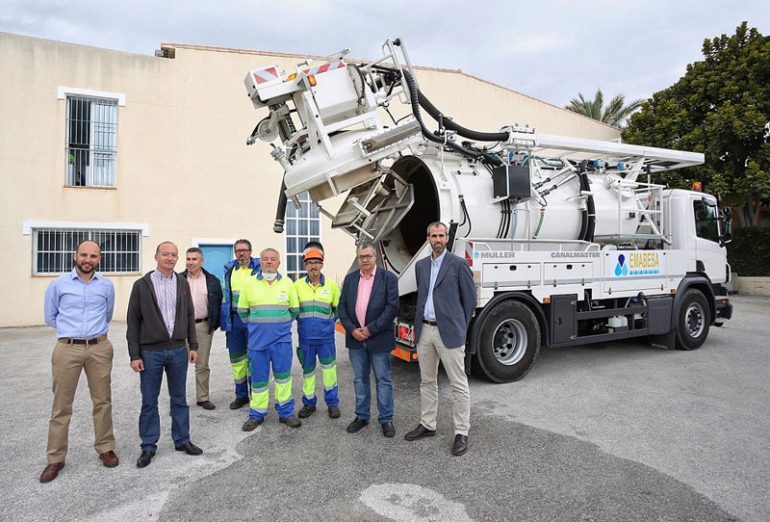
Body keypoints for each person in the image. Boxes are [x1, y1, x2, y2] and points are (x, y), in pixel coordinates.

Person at [40, 240, 118, 483]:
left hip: (99, 347)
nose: (88, 259)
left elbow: (108, 314)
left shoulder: (106, 285)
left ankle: (105, 448)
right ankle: (55, 458)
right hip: (67, 349)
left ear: (99, 259)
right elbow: (50, 316)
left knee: (102, 401)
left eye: (93, 256)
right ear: (75, 256)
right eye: (84, 254)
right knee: (62, 405)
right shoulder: (58, 284)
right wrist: (72, 333)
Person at [127, 241, 203, 468]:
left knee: (179, 399)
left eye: (174, 255)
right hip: (151, 353)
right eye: (165, 254)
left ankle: (182, 440)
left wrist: (194, 345)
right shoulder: (142, 285)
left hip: (179, 350)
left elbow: (189, 315)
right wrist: (134, 355)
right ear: (156, 256)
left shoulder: (182, 283)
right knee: (149, 400)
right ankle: (148, 445)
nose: (170, 258)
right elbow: (133, 321)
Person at [404, 222, 476, 456]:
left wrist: (460, 328)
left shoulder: (458, 264)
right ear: (428, 239)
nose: (437, 239)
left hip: (449, 332)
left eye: (441, 235)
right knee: (427, 381)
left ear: (447, 238)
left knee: (458, 384)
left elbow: (469, 301)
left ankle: (461, 432)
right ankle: (428, 424)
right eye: (433, 235)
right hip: (425, 330)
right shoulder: (422, 266)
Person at [338, 242, 399, 438]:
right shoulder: (349, 280)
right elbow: (342, 308)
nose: (364, 260)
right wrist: (352, 329)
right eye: (361, 257)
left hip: (379, 338)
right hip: (355, 339)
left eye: (368, 256)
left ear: (375, 258)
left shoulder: (388, 278)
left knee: (383, 380)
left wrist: (370, 330)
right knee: (359, 380)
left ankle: (386, 418)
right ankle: (362, 417)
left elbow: (392, 308)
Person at [237, 248, 301, 430]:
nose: (269, 262)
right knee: (258, 380)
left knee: (283, 378)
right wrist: (258, 326)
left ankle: (286, 412)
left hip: (281, 341)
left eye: (273, 259)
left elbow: (294, 310)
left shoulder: (288, 283)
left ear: (279, 263)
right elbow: (243, 311)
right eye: (265, 259)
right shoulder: (249, 284)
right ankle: (256, 414)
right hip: (257, 343)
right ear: (260, 262)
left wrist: (278, 324)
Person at [294, 242, 341, 419]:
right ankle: (309, 403)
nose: (313, 265)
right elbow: (293, 309)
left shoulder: (331, 286)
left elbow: (337, 309)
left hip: (326, 339)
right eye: (310, 262)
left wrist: (327, 324)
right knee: (308, 373)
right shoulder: (297, 286)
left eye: (317, 262)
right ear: (305, 265)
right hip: (305, 339)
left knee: (329, 372)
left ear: (322, 264)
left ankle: (332, 404)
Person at [181, 247, 223, 410]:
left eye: (194, 259)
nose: (190, 262)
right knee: (179, 365)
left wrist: (213, 325)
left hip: (203, 327)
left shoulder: (212, 280)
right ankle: (179, 399)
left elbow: (217, 303)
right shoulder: (177, 279)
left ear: (202, 261)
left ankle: (202, 397)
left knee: (202, 364)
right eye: (188, 259)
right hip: (181, 328)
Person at [220, 239, 260, 410]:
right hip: (235, 320)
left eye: (245, 250)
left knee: (254, 359)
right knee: (237, 360)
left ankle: (256, 395)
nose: (241, 254)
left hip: (253, 320)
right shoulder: (230, 270)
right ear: (235, 253)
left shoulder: (259, 269)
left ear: (251, 251)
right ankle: (241, 395)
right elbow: (224, 297)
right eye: (238, 251)